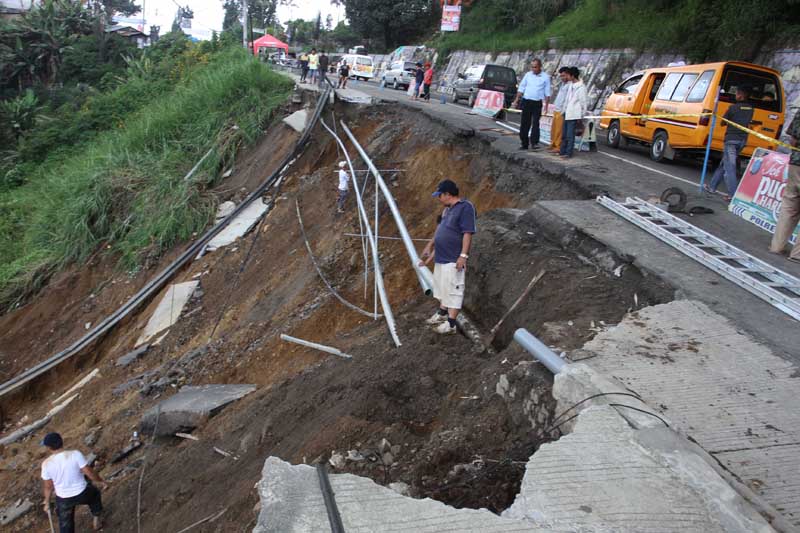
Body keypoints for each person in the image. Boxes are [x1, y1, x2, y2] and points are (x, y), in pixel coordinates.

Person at [419, 180, 476, 335]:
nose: (439, 199)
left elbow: (467, 233)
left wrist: (463, 256)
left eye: (440, 195)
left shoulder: (465, 208)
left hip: (453, 258)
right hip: (442, 257)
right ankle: (442, 313)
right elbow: (440, 232)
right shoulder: (447, 211)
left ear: (447, 194)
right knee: (443, 288)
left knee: (454, 290)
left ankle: (451, 324)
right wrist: (430, 248)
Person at [41, 432, 107, 533]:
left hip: (63, 499)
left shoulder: (46, 464)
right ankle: (96, 520)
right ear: (61, 442)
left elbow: (48, 487)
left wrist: (47, 502)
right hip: (82, 493)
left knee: (65, 524)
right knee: (95, 494)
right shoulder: (75, 454)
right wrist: (101, 481)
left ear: (49, 447)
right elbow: (89, 472)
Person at [706, 86, 754, 201]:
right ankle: (712, 186)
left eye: (737, 94)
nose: (735, 96)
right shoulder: (751, 109)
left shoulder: (733, 108)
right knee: (724, 164)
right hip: (742, 140)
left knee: (729, 168)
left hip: (731, 140)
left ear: (741, 96)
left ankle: (732, 195)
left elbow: (723, 122)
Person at [769, 112, 800, 263]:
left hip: (796, 163)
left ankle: (777, 246)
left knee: (789, 205)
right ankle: (797, 254)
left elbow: (792, 140)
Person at [512, 58, 551, 151]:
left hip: (537, 102)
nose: (533, 69)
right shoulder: (528, 75)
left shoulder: (545, 77)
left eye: (535, 67)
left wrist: (546, 106)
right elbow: (521, 88)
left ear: (540, 67)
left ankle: (534, 143)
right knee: (525, 123)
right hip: (527, 101)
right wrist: (516, 100)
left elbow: (547, 93)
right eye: (532, 67)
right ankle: (524, 143)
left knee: (536, 123)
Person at [560, 67, 588, 159]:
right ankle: (562, 151)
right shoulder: (571, 85)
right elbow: (566, 99)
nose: (567, 77)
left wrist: (582, 115)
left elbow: (583, 102)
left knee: (570, 135)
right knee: (564, 134)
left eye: (568, 75)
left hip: (573, 114)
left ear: (572, 76)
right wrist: (563, 109)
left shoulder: (581, 87)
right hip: (566, 112)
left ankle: (568, 153)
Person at [548, 67, 571, 153]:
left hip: (562, 110)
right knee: (554, 128)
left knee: (559, 130)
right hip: (556, 109)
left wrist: (563, 110)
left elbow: (567, 99)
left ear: (568, 75)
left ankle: (558, 146)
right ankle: (553, 143)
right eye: (561, 76)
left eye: (563, 76)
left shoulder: (570, 85)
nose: (562, 78)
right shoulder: (562, 84)